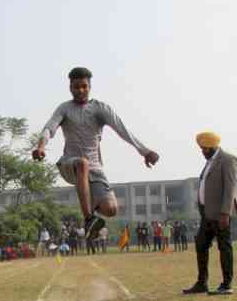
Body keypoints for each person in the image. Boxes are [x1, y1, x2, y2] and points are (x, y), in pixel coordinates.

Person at [33, 67, 159, 241]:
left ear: (89, 86)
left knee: (111, 209)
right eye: (76, 87)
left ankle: (90, 203)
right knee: (82, 163)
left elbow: (122, 129)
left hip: (95, 170)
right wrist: (41, 146)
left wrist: (144, 151)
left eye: (84, 86)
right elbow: (49, 128)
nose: (80, 90)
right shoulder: (64, 109)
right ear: (70, 87)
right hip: (70, 164)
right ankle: (88, 219)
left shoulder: (100, 108)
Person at [183, 132, 237, 296]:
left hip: (220, 214)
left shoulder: (228, 160)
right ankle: (202, 283)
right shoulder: (209, 163)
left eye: (204, 148)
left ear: (212, 147)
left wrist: (225, 213)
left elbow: (230, 188)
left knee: (224, 247)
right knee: (201, 245)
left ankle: (227, 284)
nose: (202, 151)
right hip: (207, 214)